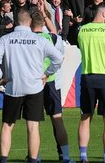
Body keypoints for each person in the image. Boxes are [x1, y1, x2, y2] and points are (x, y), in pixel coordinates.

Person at [0, 9, 63, 163]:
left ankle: (3, 160)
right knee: (33, 126)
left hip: (13, 86)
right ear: (29, 22)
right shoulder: (40, 40)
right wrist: (47, 73)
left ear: (16, 22)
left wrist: (0, 77)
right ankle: (33, 160)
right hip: (34, 86)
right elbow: (57, 58)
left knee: (7, 125)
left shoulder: (6, 39)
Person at [71, 4, 105, 163]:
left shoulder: (82, 30)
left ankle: (83, 157)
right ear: (104, 14)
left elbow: (75, 40)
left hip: (88, 77)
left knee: (85, 118)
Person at [31, 10, 72, 163]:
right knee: (57, 119)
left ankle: (35, 157)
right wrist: (45, 15)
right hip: (51, 81)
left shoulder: (27, 39)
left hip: (33, 83)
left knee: (33, 123)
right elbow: (55, 33)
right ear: (43, 24)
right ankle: (65, 156)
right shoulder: (52, 38)